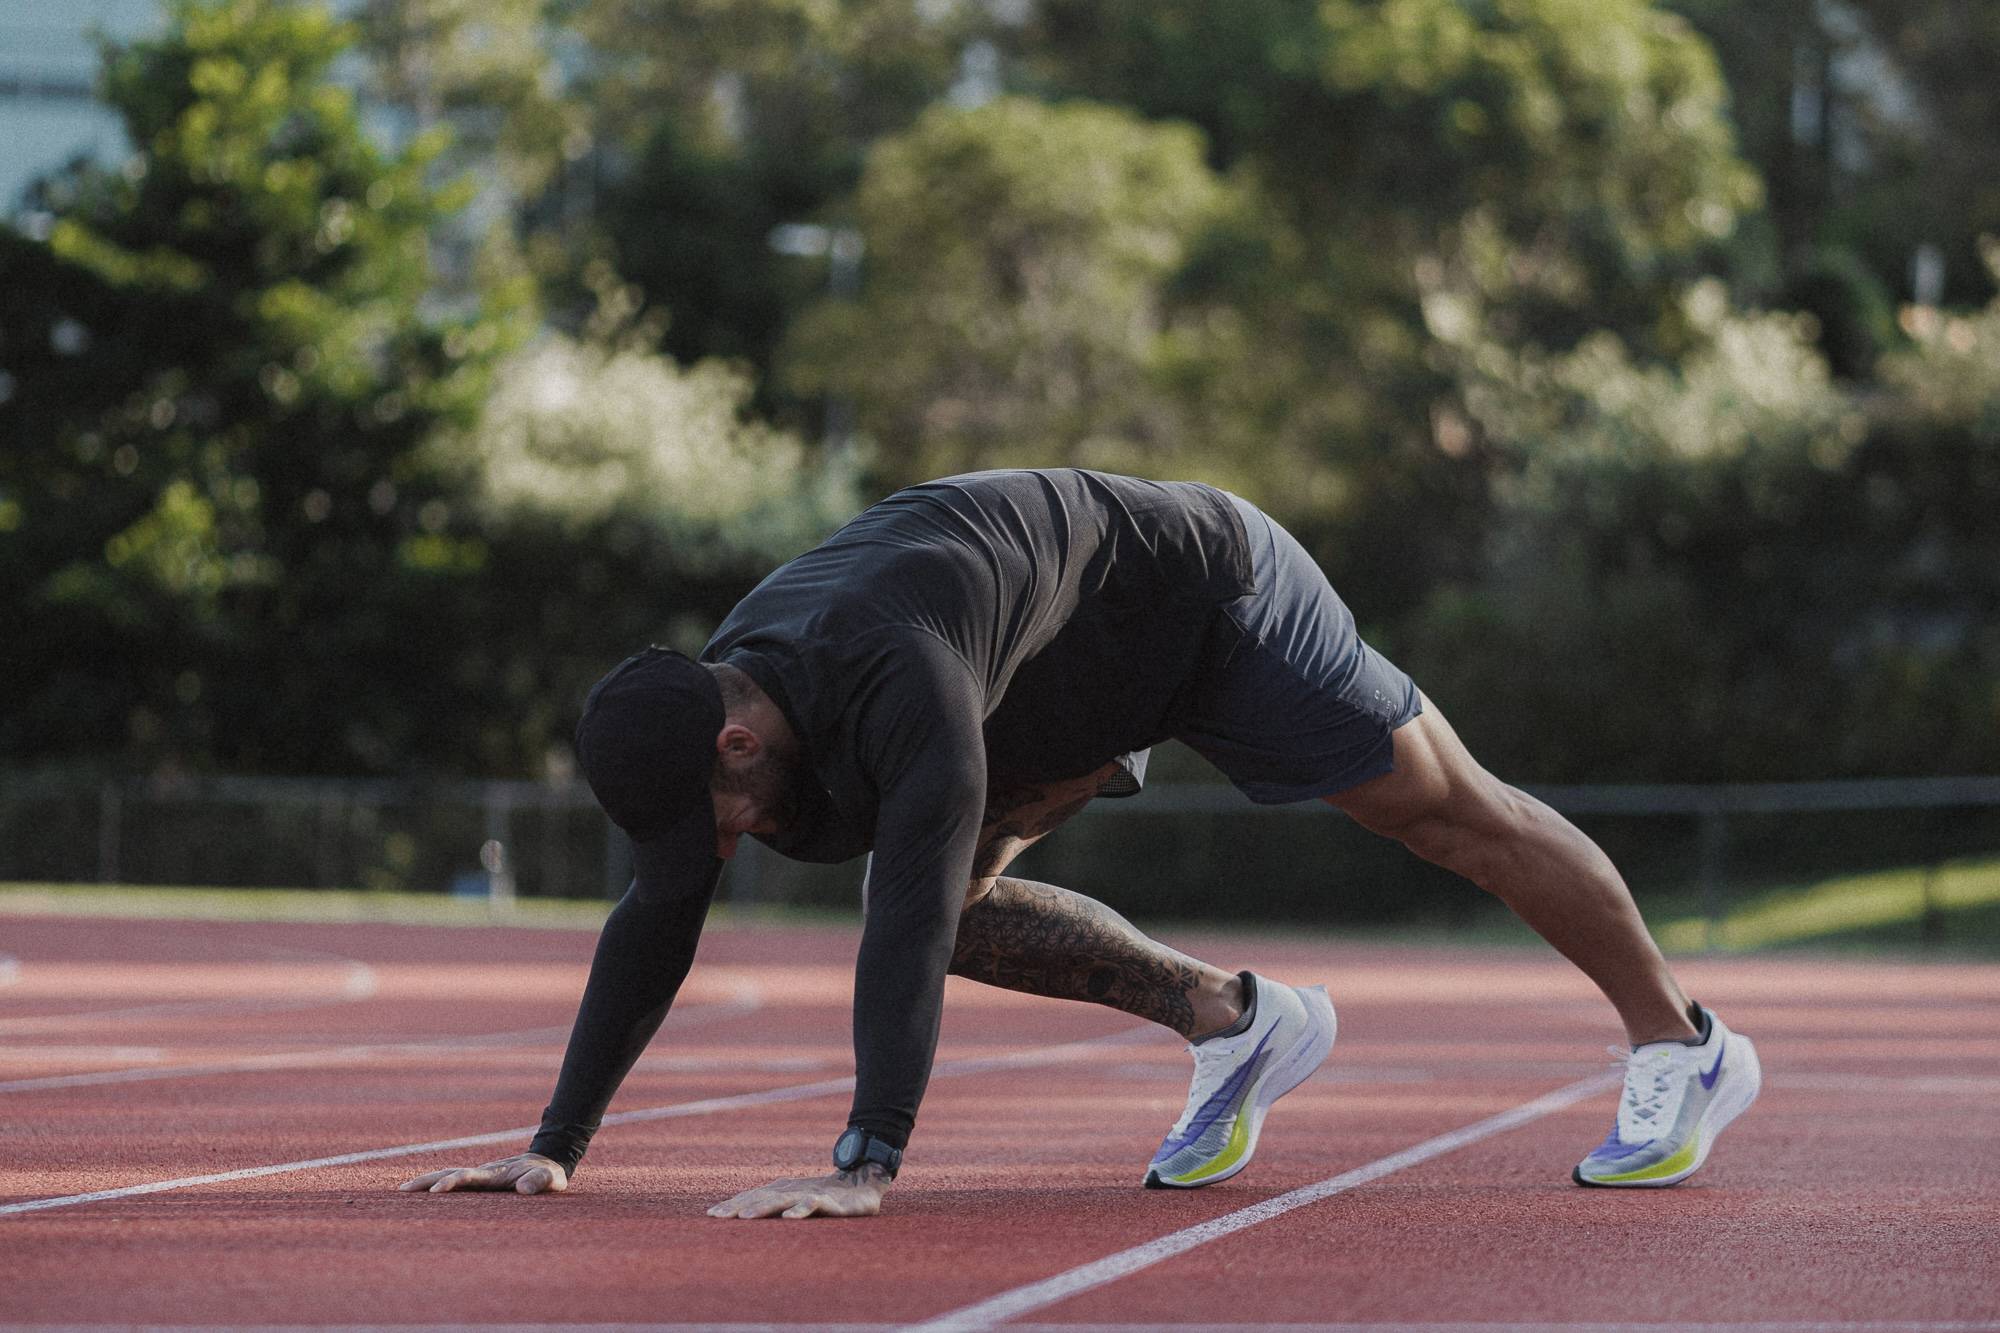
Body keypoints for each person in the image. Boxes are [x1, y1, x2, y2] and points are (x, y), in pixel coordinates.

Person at [399, 469, 1760, 1217]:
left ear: (735, 746)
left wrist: (866, 1157)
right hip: (1064, 679)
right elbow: (660, 912)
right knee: (967, 902)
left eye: (722, 823)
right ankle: (1237, 1023)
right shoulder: (729, 699)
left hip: (1213, 598)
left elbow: (907, 923)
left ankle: (1681, 1045)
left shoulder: (895, 670)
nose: (732, 850)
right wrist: (557, 1138)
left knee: (1451, 816)